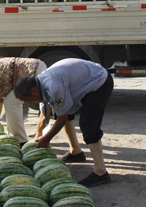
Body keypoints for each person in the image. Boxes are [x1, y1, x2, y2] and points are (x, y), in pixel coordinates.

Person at [14, 58, 114, 187]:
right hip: (86, 80)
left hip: (99, 82)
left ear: (33, 91)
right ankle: (76, 152)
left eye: (28, 100)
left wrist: (46, 139)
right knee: (63, 112)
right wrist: (39, 135)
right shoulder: (40, 83)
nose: (31, 103)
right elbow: (45, 114)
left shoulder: (53, 86)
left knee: (88, 126)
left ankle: (101, 172)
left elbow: (62, 119)